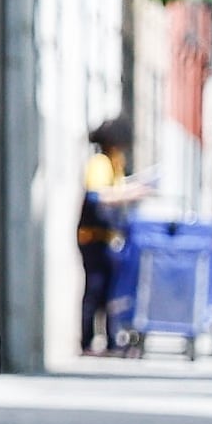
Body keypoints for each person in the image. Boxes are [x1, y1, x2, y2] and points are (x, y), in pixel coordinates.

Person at [75, 114, 135, 358]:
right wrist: (131, 193)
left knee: (111, 290)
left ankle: (111, 340)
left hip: (108, 236)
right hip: (93, 236)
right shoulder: (99, 162)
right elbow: (97, 195)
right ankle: (88, 341)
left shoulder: (115, 162)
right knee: (95, 289)